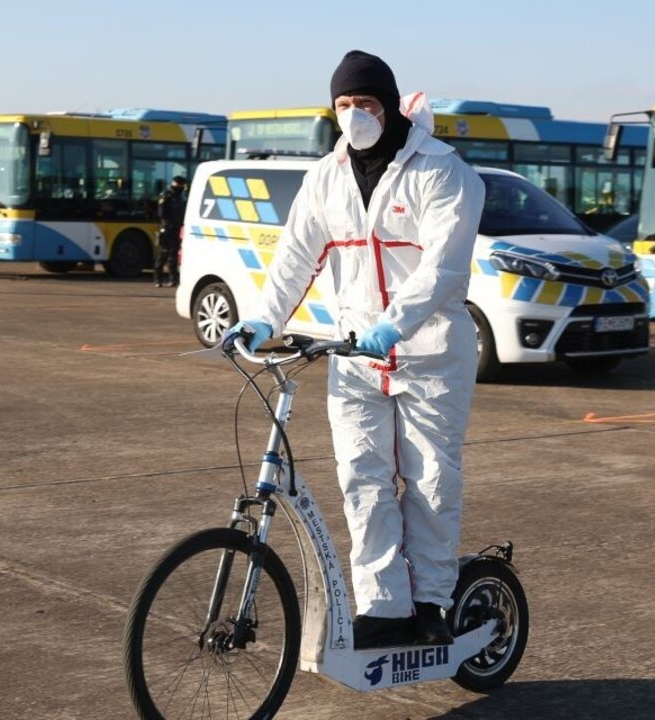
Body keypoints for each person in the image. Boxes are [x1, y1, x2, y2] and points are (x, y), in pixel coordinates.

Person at [225, 50, 485, 649]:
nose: (353, 115)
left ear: (390, 105)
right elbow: (295, 257)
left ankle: (432, 603)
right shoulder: (326, 177)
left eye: (364, 103)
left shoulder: (443, 172)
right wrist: (264, 318)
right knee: (362, 481)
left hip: (431, 354)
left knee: (428, 482)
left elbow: (444, 267)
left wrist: (396, 324)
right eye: (342, 105)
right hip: (354, 357)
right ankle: (384, 606)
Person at [154, 175, 188, 287]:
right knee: (163, 253)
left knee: (173, 255)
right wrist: (168, 223)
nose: (182, 187)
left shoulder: (180, 197)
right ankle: (158, 280)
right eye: (180, 185)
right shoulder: (166, 196)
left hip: (177, 228)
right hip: (167, 228)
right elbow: (161, 213)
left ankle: (173, 280)